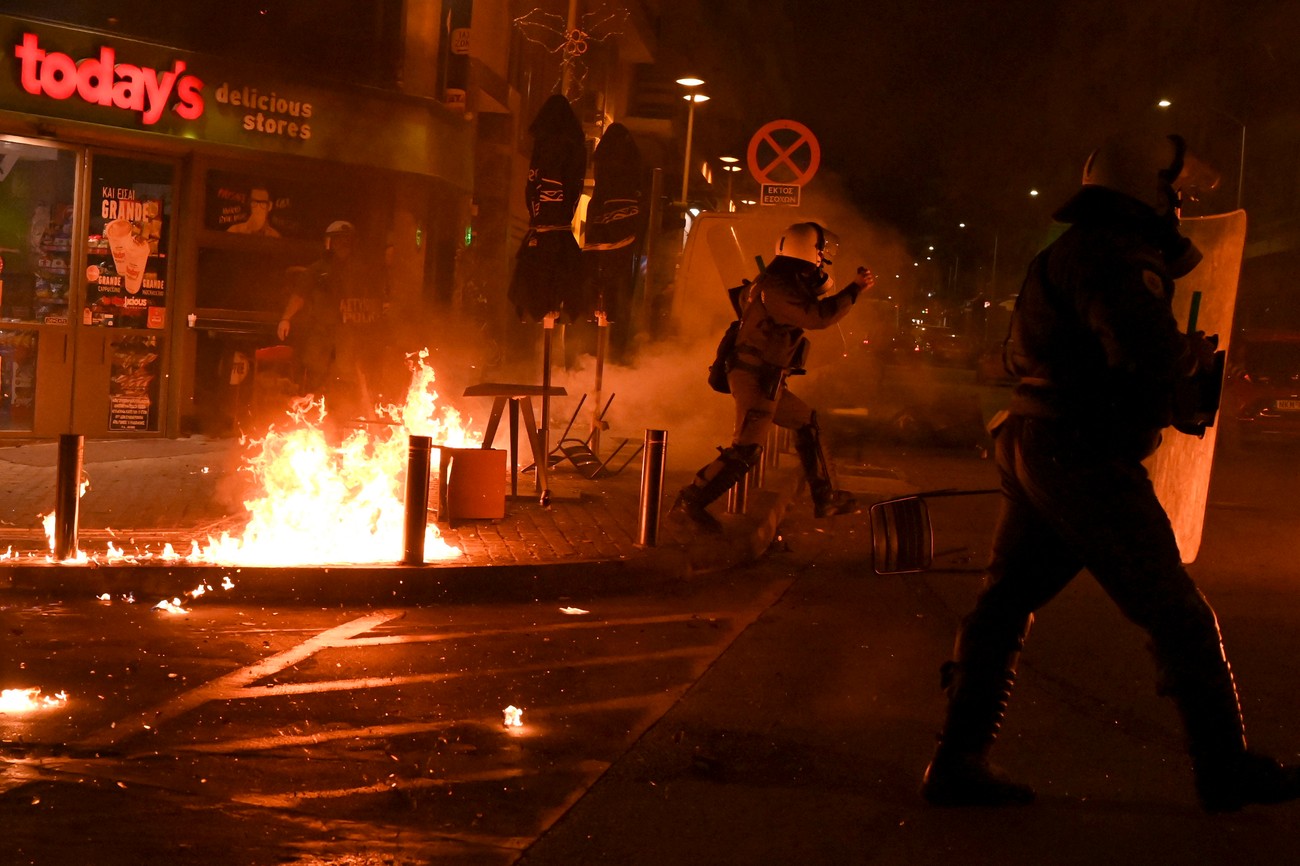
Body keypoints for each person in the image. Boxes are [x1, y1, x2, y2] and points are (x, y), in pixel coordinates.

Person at [920, 132, 1300, 813]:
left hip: (1039, 440)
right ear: (1143, 194)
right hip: (1085, 453)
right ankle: (1225, 768)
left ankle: (957, 761)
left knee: (1004, 605)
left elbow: (1027, 356)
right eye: (1172, 194)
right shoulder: (1119, 256)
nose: (1176, 208)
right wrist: (1182, 361)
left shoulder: (1060, 254)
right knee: (1176, 612)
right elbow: (1140, 350)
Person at [669, 221, 875, 532]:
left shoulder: (772, 282)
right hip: (756, 377)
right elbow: (817, 317)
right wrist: (854, 289)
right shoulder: (777, 287)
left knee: (807, 422)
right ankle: (689, 503)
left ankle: (825, 497)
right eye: (820, 251)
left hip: (765, 376)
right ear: (808, 250)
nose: (822, 258)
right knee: (746, 451)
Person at [277, 220, 386, 420]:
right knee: (316, 374)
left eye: (346, 240)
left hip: (351, 334)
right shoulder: (318, 270)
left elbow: (375, 300)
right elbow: (300, 294)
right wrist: (286, 318)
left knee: (348, 377)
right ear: (330, 243)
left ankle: (346, 418)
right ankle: (314, 420)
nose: (341, 245)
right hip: (322, 333)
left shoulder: (363, 270)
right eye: (337, 240)